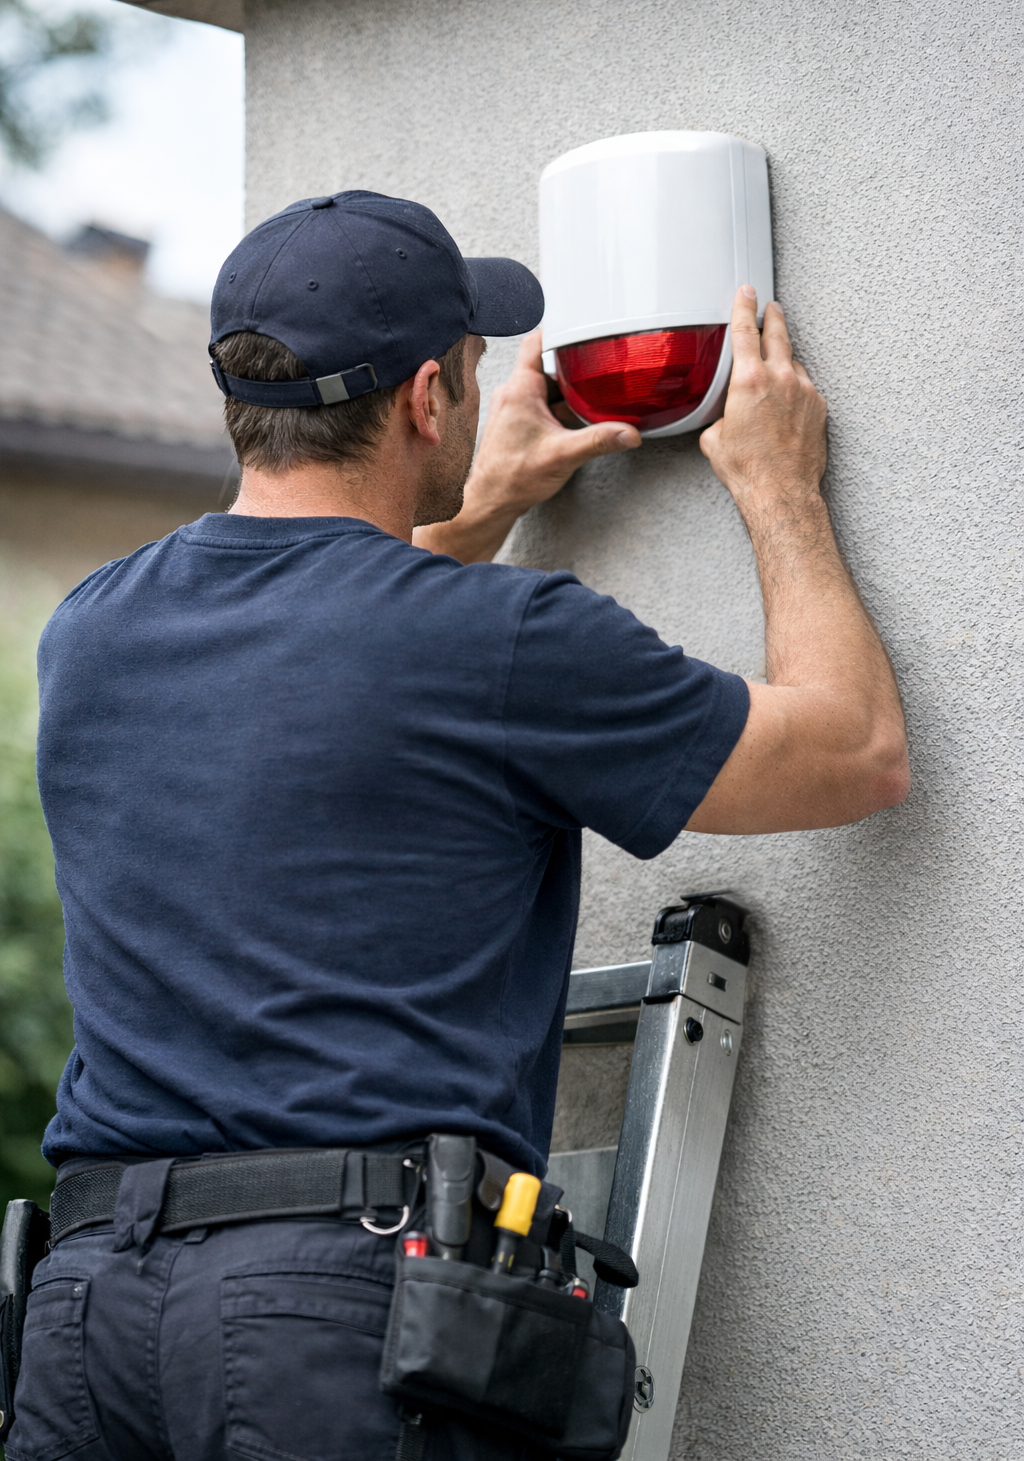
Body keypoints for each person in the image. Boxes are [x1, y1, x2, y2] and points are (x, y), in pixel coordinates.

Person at [6, 191, 909, 1461]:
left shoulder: (93, 632)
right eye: (475, 371)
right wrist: (777, 488)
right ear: (429, 398)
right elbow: (853, 754)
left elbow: (319, 653)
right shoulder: (500, 642)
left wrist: (467, 521)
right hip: (333, 1320)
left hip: (86, 1321)